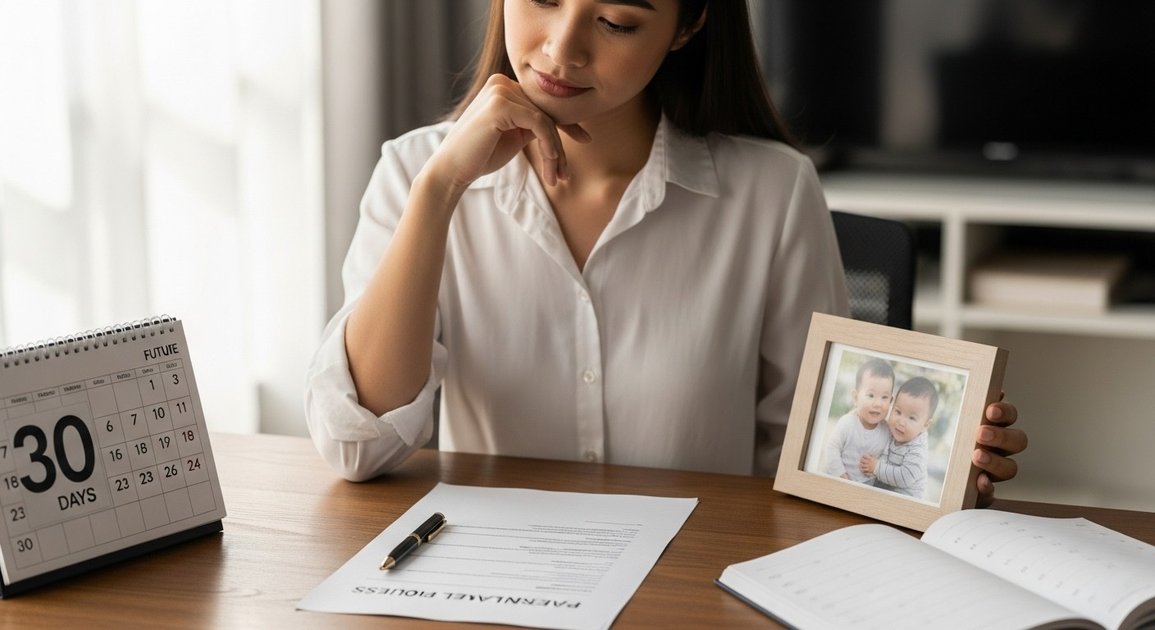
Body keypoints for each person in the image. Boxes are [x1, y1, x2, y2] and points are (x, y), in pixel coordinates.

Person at [304, 0, 1026, 507]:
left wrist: (931, 466)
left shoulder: (772, 192)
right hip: (495, 588)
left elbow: (810, 456)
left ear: (689, 25)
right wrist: (440, 190)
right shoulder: (414, 173)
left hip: (692, 587)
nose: (560, 49)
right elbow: (357, 447)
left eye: (615, 21)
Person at [860, 376, 938, 499]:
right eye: (898, 412)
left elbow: (904, 477)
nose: (901, 422)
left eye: (912, 418)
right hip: (884, 490)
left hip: (904, 500)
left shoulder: (918, 450)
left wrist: (876, 467)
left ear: (925, 425)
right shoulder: (891, 430)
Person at [822, 358, 894, 482]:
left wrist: (877, 465)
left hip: (866, 486)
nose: (878, 404)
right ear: (856, 397)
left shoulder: (887, 431)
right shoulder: (847, 423)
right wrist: (841, 475)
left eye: (884, 397)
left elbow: (887, 457)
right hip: (839, 480)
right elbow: (831, 449)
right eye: (871, 395)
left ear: (891, 401)